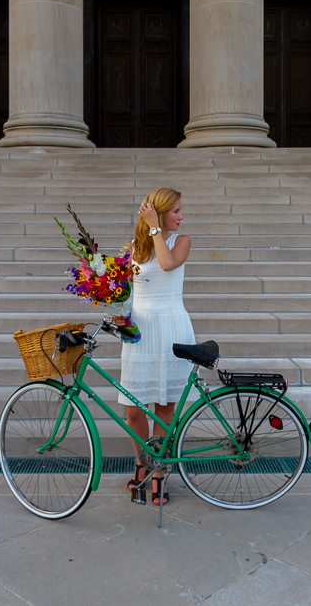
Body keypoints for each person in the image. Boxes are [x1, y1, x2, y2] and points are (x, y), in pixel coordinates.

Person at [118, 187, 196, 505]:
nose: (181, 216)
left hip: (172, 328)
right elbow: (126, 294)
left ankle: (159, 471)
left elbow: (166, 265)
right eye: (176, 211)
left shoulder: (181, 242)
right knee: (133, 407)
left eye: (180, 210)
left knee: (164, 407)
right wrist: (116, 313)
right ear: (162, 212)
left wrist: (154, 229)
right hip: (141, 331)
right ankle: (141, 463)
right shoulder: (133, 248)